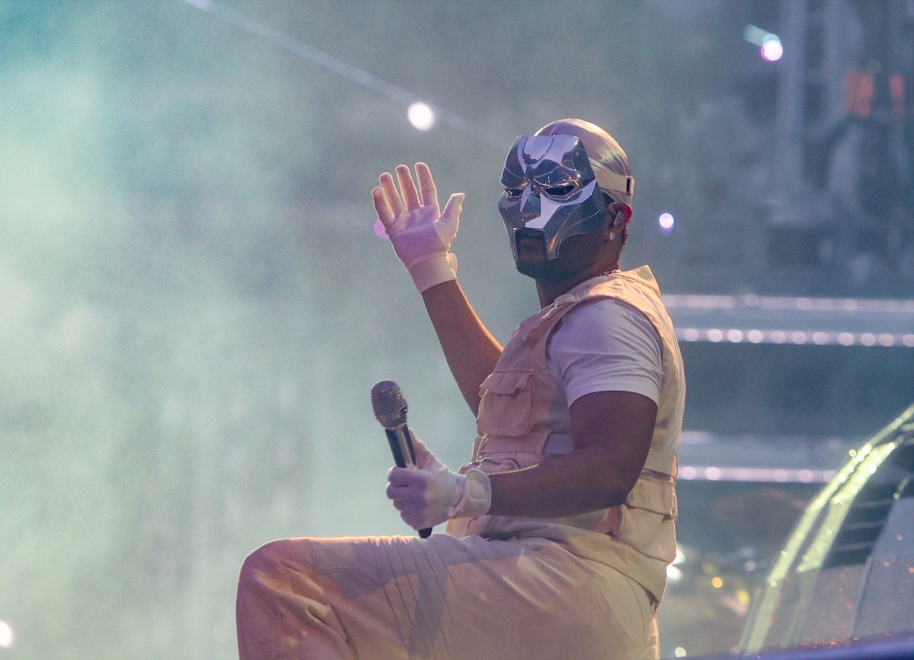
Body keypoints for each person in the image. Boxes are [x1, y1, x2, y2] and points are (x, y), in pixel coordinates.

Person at [236, 119, 685, 660]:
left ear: (618, 219)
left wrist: (466, 494)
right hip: (557, 590)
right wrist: (430, 268)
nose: (529, 207)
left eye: (557, 188)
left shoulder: (610, 317)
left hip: (569, 580)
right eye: (518, 189)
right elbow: (507, 405)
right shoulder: (585, 316)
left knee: (285, 580)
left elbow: (610, 468)